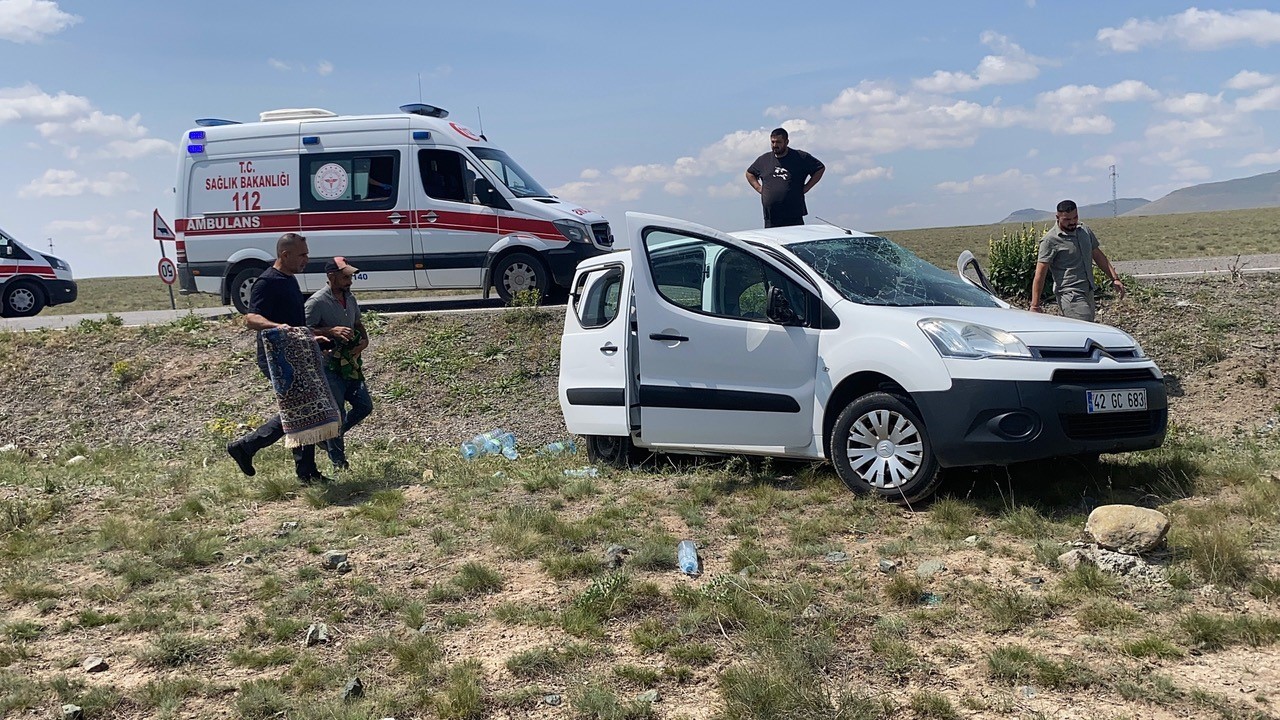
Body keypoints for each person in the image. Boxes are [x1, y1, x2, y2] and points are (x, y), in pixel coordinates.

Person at [226, 232, 332, 483]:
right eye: (302, 254)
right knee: (301, 409)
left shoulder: (290, 279)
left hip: (298, 353)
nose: (307, 259)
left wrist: (314, 339)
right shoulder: (267, 282)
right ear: (285, 255)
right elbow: (252, 319)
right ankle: (249, 447)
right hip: (277, 358)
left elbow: (296, 325)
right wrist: (277, 327)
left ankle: (303, 471)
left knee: (306, 408)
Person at [305, 256, 373, 471]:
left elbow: (357, 323)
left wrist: (364, 341)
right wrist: (329, 331)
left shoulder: (350, 298)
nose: (349, 281)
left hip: (350, 364)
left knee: (364, 406)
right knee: (337, 414)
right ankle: (339, 464)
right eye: (345, 277)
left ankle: (330, 439)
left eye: (350, 276)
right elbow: (302, 330)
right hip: (329, 366)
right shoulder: (316, 302)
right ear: (331, 276)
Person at [1030, 200, 1125, 322]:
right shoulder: (1050, 240)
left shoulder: (1084, 230)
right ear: (1057, 217)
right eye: (1067, 219)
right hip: (1070, 295)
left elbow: (1097, 255)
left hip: (1088, 292)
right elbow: (1040, 273)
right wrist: (1035, 305)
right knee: (1085, 331)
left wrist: (1115, 279)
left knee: (1085, 331)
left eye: (1075, 217)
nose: (1072, 222)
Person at [745, 128, 825, 228]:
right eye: (772, 142)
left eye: (778, 142)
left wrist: (807, 187)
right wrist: (759, 188)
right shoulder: (764, 160)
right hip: (771, 217)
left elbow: (820, 168)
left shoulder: (800, 157)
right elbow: (749, 173)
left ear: (786, 142)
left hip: (794, 215)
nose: (775, 145)